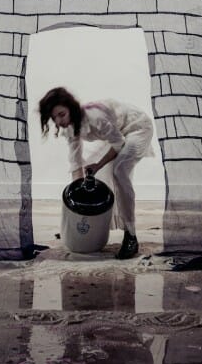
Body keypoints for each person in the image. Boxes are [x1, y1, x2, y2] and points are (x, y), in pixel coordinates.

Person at [38, 86, 154, 259]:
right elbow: (76, 164)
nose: (59, 122)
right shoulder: (71, 127)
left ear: (71, 108)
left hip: (137, 128)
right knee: (91, 177)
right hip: (119, 133)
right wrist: (75, 213)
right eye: (54, 118)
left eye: (61, 114)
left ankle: (131, 235)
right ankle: (90, 227)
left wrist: (98, 164)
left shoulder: (95, 118)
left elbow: (118, 144)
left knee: (119, 171)